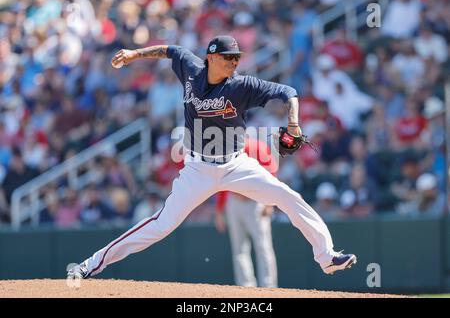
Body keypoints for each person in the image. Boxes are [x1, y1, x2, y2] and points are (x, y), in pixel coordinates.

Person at [67, 35, 356, 280]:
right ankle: (91, 265)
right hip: (198, 168)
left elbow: (288, 91)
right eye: (228, 57)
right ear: (211, 57)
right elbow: (170, 50)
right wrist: (134, 53)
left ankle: (327, 256)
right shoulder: (191, 69)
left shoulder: (242, 85)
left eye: (236, 58)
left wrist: (293, 122)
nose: (234, 62)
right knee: (160, 225)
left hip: (236, 164)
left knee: (287, 196)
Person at [215, 137, 278, 288]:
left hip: (256, 201)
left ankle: (269, 287)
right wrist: (219, 210)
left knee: (263, 247)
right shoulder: (227, 149)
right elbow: (221, 181)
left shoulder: (258, 147)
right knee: (239, 249)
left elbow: (272, 173)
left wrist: (269, 201)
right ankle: (246, 287)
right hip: (234, 201)